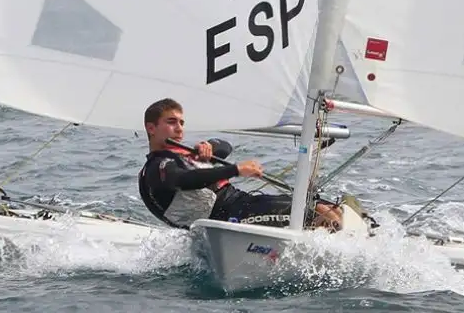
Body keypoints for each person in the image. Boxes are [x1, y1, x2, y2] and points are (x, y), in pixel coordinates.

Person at [137, 98, 345, 231]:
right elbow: (183, 180)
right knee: (315, 211)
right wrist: (236, 170)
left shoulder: (185, 154)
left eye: (181, 123)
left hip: (243, 204)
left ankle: (344, 240)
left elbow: (224, 147)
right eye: (171, 122)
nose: (179, 129)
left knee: (327, 205)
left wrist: (209, 146)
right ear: (151, 128)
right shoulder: (157, 167)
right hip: (225, 220)